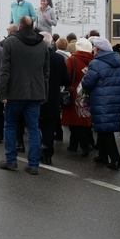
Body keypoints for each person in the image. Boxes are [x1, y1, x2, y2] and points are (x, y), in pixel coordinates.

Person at [0, 16, 49, 175]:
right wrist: (44, 93)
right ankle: (33, 165)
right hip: (35, 93)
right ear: (33, 26)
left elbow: (5, 70)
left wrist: (2, 93)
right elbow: (46, 73)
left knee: (10, 125)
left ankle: (11, 161)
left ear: (19, 26)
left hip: (14, 92)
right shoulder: (42, 44)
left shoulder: (10, 42)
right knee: (33, 128)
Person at [82, 37, 120, 170]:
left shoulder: (96, 63)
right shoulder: (118, 61)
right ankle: (102, 156)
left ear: (98, 49)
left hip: (101, 100)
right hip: (116, 99)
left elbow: (87, 83)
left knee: (106, 131)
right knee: (103, 129)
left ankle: (115, 159)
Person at [62, 38, 95, 157]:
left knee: (74, 121)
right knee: (83, 119)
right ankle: (74, 144)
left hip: (75, 92)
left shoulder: (73, 59)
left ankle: (83, 145)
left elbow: (67, 76)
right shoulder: (93, 60)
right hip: (88, 92)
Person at [40, 32, 69, 165]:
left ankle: (37, 151)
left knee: (34, 126)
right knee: (49, 127)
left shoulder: (34, 57)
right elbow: (65, 79)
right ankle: (47, 153)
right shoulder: (58, 58)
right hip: (52, 97)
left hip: (36, 96)